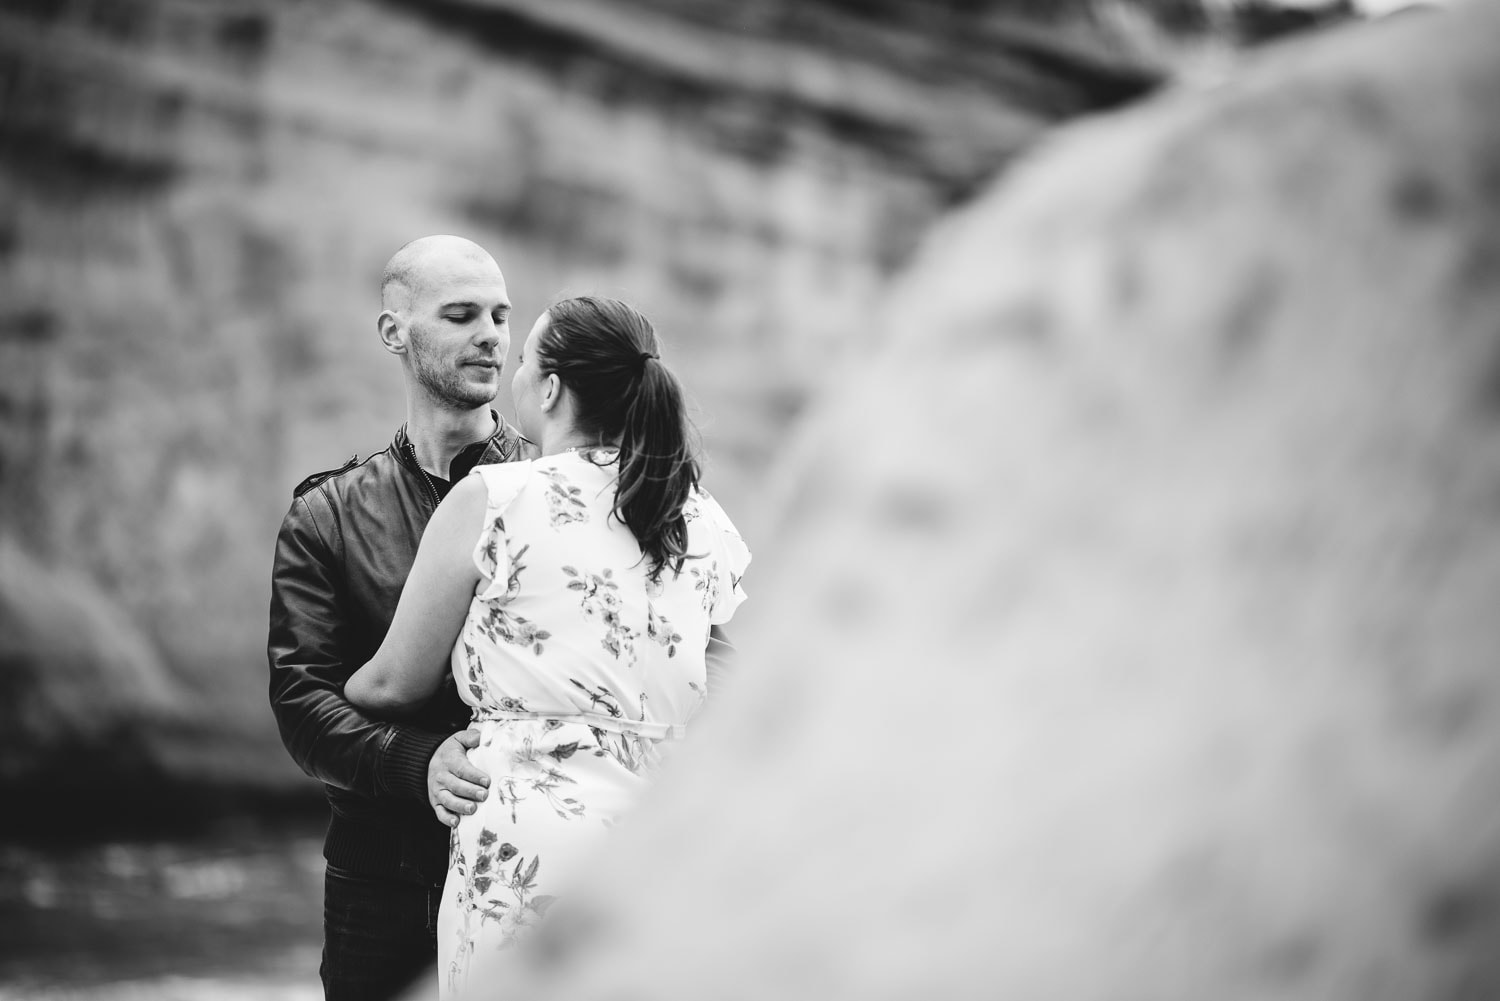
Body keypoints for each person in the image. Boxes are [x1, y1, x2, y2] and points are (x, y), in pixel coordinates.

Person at [343, 295, 750, 999]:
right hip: (656, 839)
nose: (515, 370)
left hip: (524, 839)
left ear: (552, 388)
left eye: (526, 357)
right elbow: (719, 682)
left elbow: (392, 684)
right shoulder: (703, 516)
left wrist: (339, 689)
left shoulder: (495, 497)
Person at [268, 235, 532, 1001]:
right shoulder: (327, 515)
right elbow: (300, 700)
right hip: (380, 884)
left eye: (500, 316)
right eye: (460, 314)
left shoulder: (561, 493)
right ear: (396, 332)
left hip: (537, 873)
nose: (489, 334)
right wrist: (417, 762)